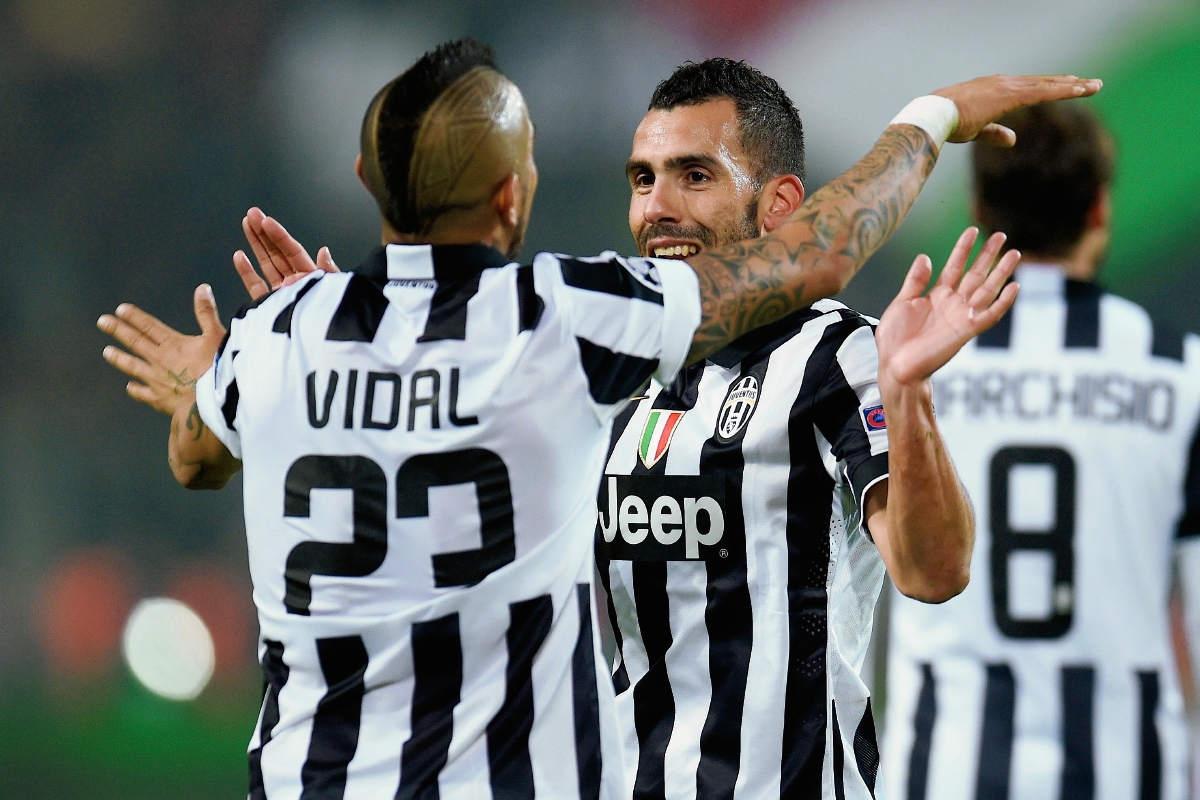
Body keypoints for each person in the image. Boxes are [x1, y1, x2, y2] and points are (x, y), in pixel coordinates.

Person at [96, 37, 1096, 800]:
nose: (657, 204)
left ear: (780, 199)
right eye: (642, 178)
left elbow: (933, 569)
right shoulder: (582, 356)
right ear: (512, 192)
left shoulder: (830, 356)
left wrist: (911, 395)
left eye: (694, 175)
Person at [882, 103, 1200, 800]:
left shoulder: (908, 363)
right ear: (1098, 211)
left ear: (979, 206)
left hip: (946, 768)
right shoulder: (1183, 374)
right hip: (1127, 771)